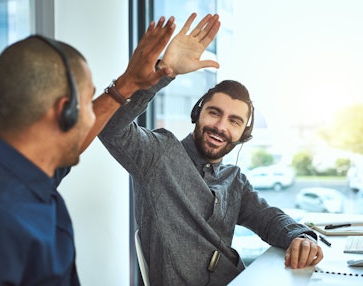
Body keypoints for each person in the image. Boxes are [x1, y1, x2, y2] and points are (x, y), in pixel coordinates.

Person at [98, 17, 324, 286]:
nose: (220, 126)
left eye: (234, 121)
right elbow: (110, 128)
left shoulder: (234, 179)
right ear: (198, 114)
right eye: (214, 113)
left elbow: (268, 218)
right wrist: (163, 73)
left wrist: (302, 236)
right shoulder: (158, 155)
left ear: (244, 135)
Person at [0, 13, 219, 285]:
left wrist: (131, 81)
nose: (94, 116)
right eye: (87, 102)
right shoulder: (8, 220)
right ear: (64, 112)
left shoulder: (25, 170)